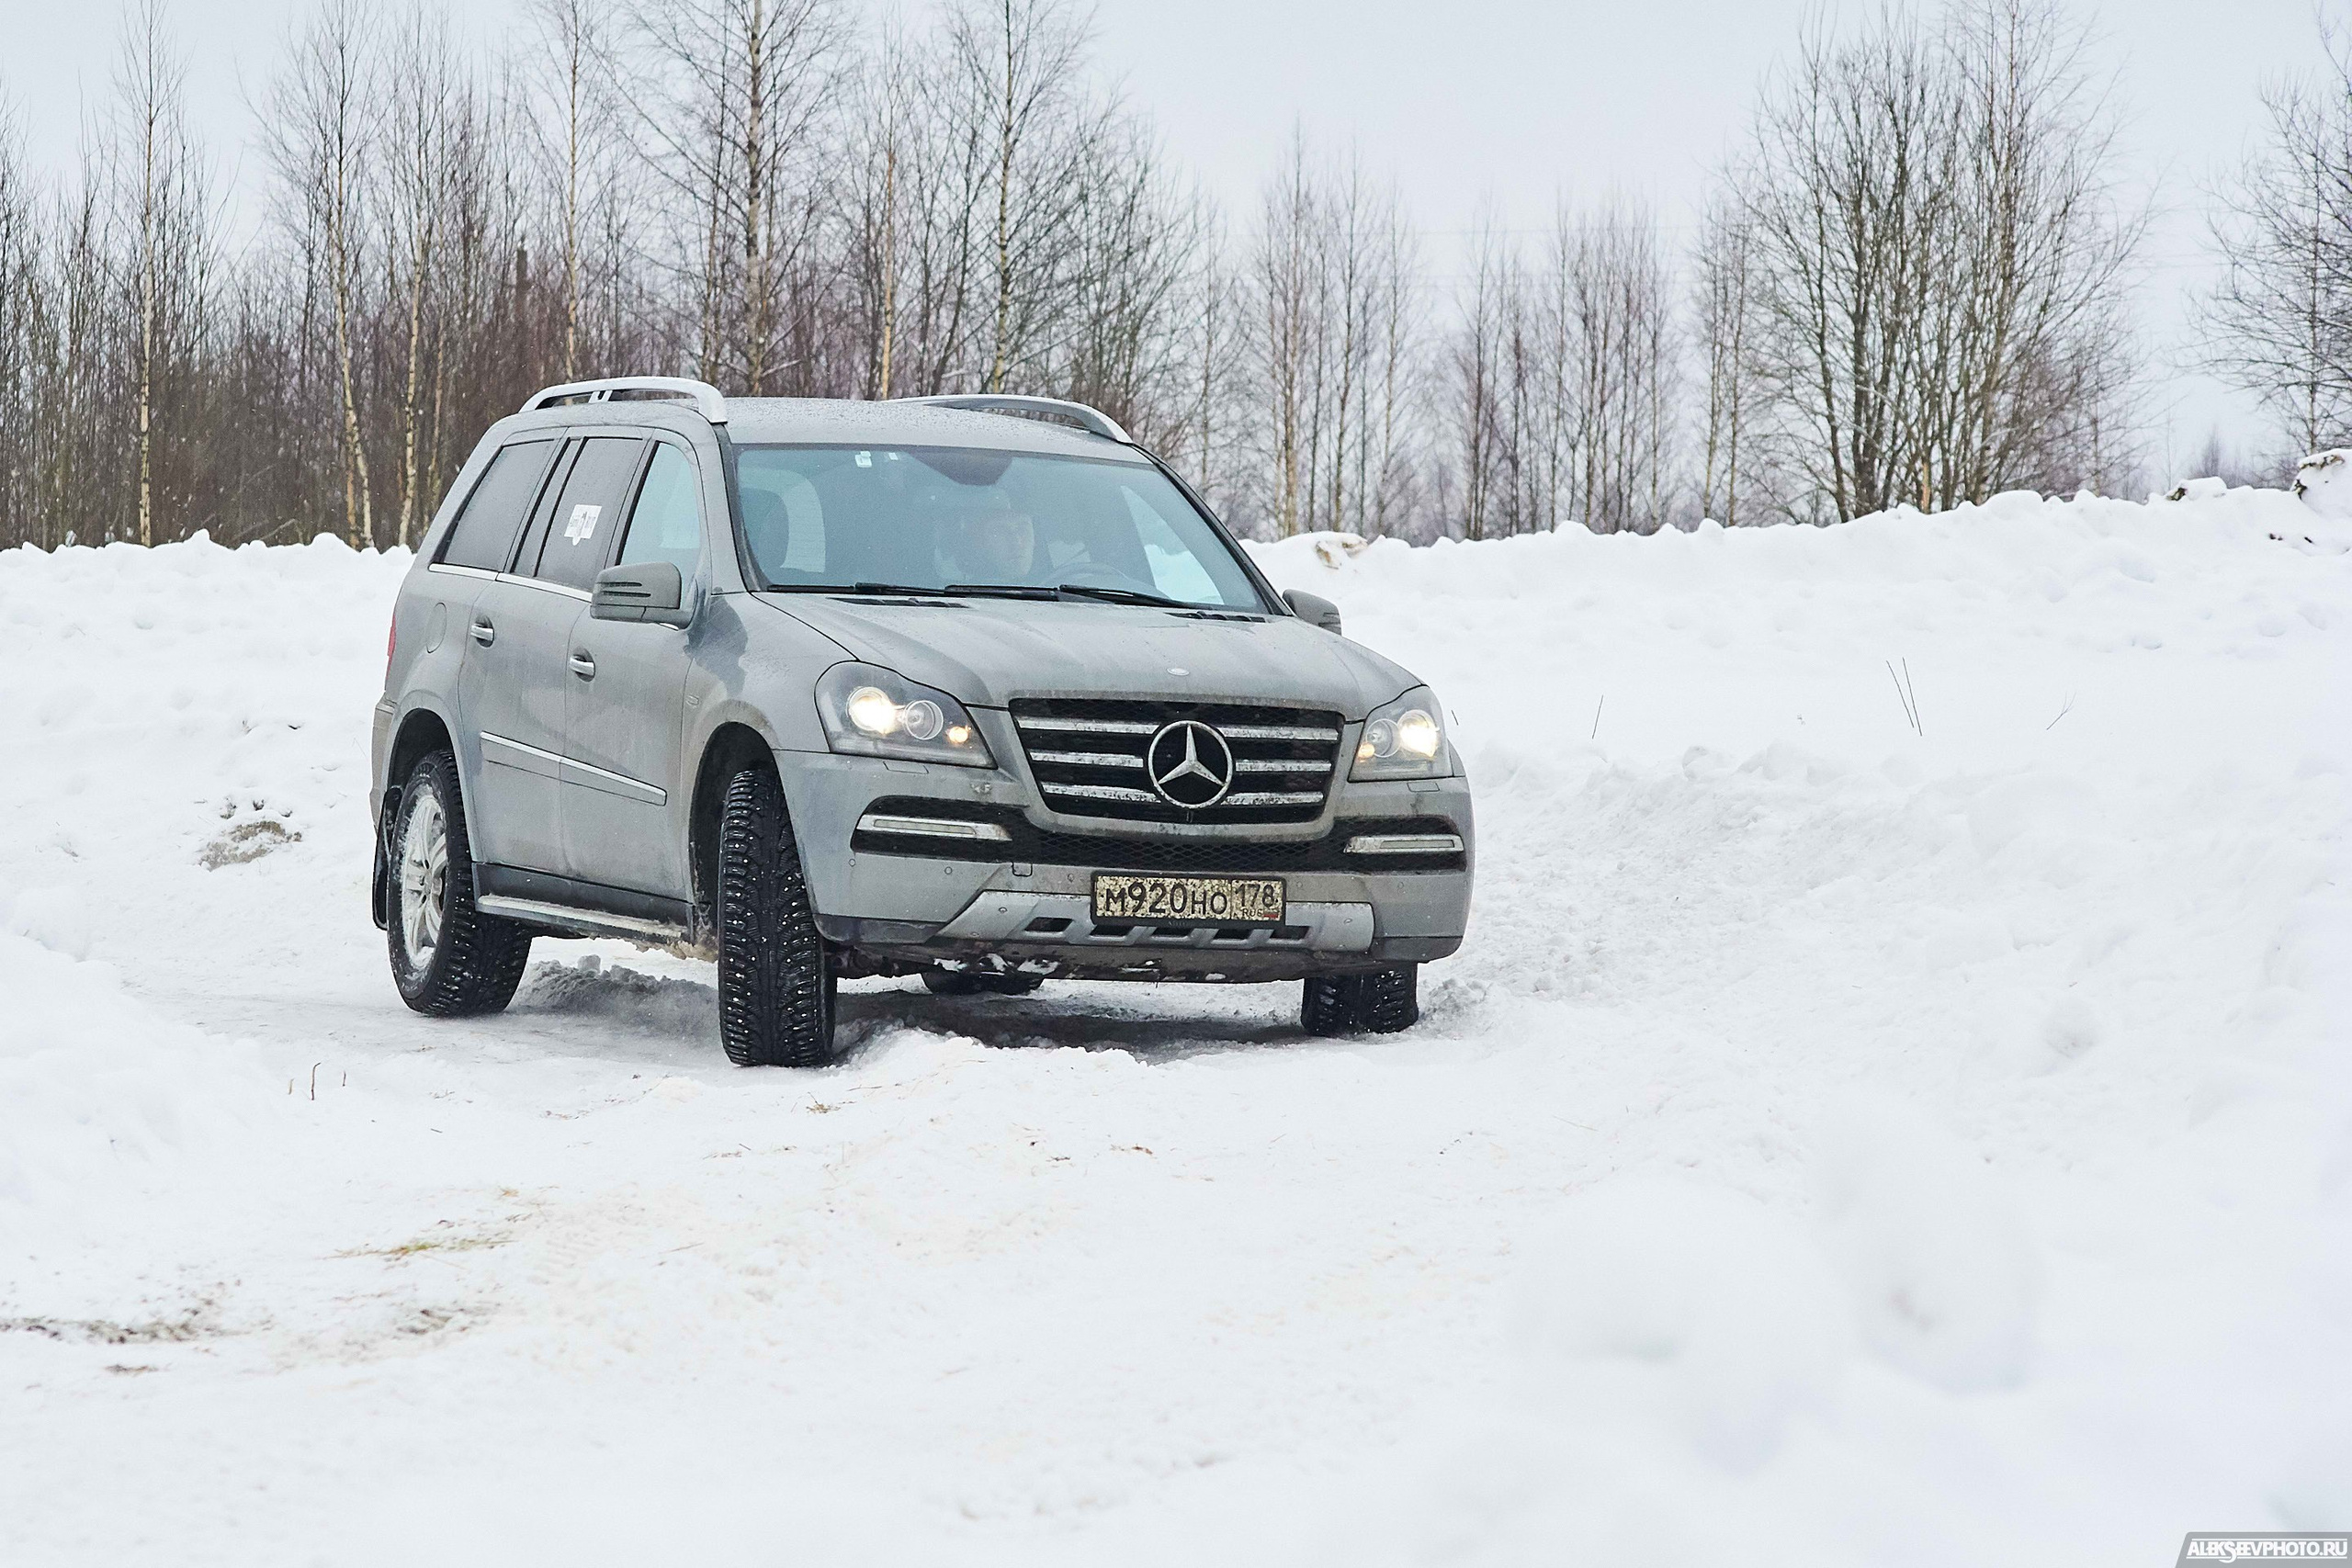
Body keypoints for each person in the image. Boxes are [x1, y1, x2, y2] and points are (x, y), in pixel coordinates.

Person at [940, 503, 1037, 583]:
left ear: (1035, 539)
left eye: (1023, 530)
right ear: (980, 542)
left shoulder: (1050, 590)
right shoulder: (952, 595)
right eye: (1000, 532)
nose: (1017, 543)